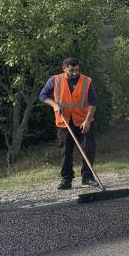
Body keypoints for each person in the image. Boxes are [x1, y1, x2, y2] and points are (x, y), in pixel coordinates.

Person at [39, 57, 98, 190]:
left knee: (89, 148)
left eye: (77, 70)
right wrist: (54, 105)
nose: (75, 73)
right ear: (64, 69)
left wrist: (88, 121)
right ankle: (66, 179)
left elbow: (93, 103)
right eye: (71, 70)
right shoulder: (55, 80)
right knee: (66, 152)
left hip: (83, 121)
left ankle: (88, 177)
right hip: (64, 122)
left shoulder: (86, 81)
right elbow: (42, 96)